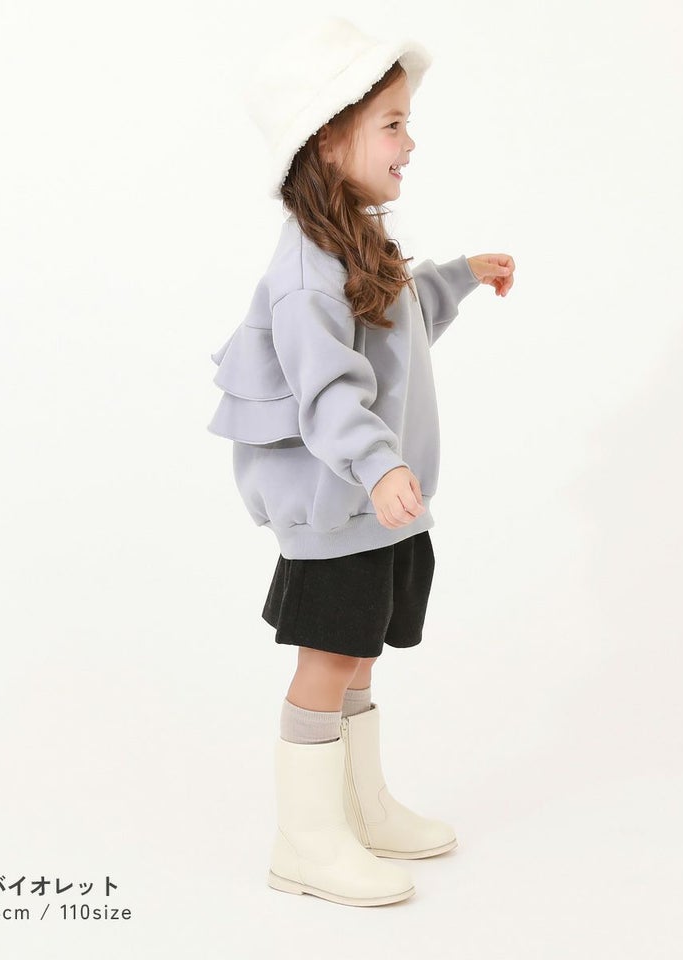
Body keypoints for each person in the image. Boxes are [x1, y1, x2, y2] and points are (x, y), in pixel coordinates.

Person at [207, 16, 515, 908]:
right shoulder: (308, 271)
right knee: (328, 659)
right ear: (327, 138)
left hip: (373, 506)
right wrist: (379, 466)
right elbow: (328, 391)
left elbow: (394, 317)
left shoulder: (356, 243)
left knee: (359, 654)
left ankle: (358, 808)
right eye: (392, 124)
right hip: (339, 501)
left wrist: (459, 275)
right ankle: (306, 841)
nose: (409, 143)